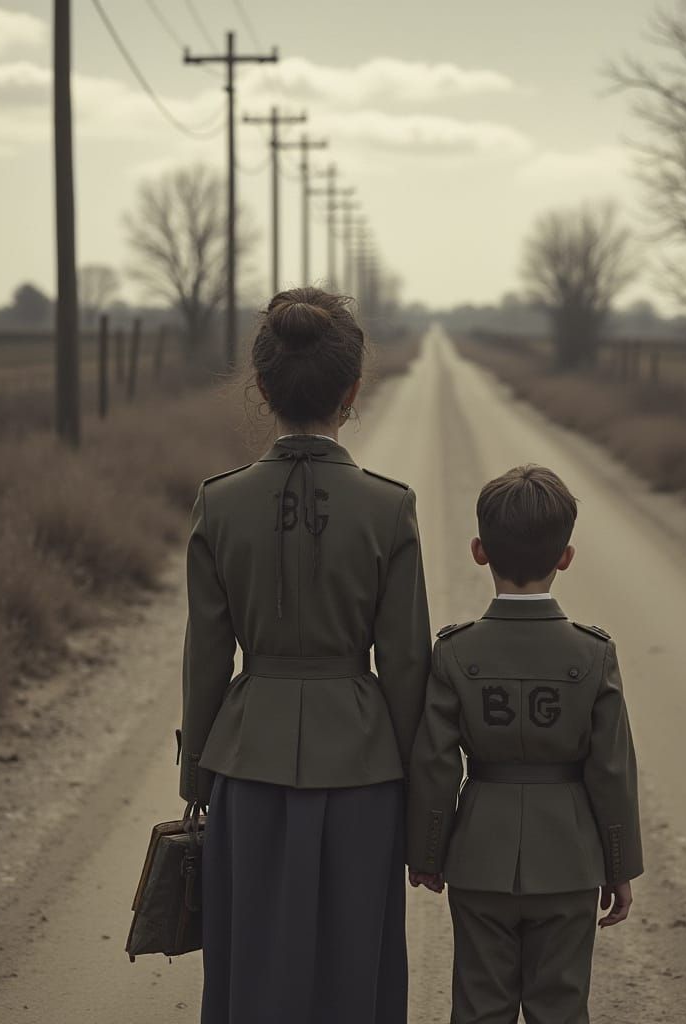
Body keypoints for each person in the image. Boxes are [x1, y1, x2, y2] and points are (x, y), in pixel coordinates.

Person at [179, 287, 431, 1024]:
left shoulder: (219, 503)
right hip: (364, 771)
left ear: (262, 388)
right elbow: (408, 667)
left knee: (252, 967)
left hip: (246, 767)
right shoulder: (389, 508)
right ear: (352, 393)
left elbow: (206, 658)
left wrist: (198, 773)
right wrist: (424, 810)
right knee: (355, 969)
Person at [407, 464, 643, 1024]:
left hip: (478, 860)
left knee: (479, 1006)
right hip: (569, 860)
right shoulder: (593, 655)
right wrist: (618, 866)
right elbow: (610, 770)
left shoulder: (454, 653)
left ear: (479, 551)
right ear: (565, 557)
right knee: (560, 1008)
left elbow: (436, 765)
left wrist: (429, 853)